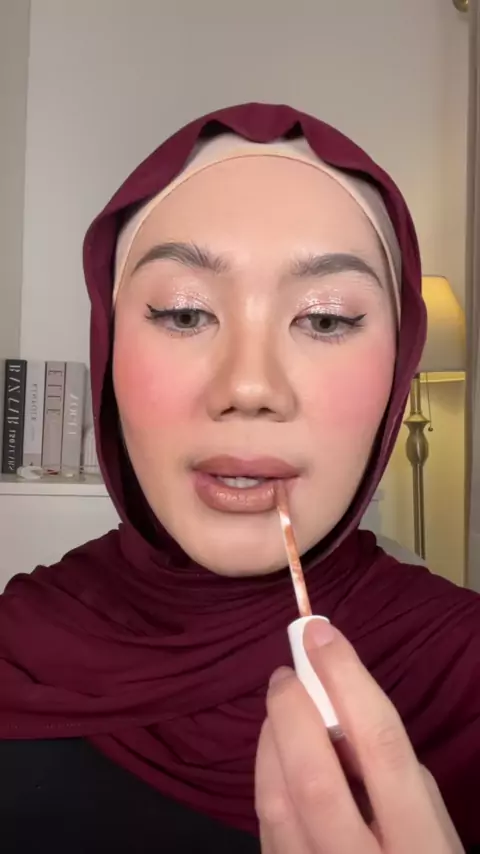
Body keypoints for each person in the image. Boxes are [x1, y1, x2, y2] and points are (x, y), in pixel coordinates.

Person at [0, 102, 479, 854]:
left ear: (398, 368)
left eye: (326, 319)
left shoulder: (464, 671)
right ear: (108, 347)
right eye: (184, 314)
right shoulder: (18, 644)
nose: (250, 386)